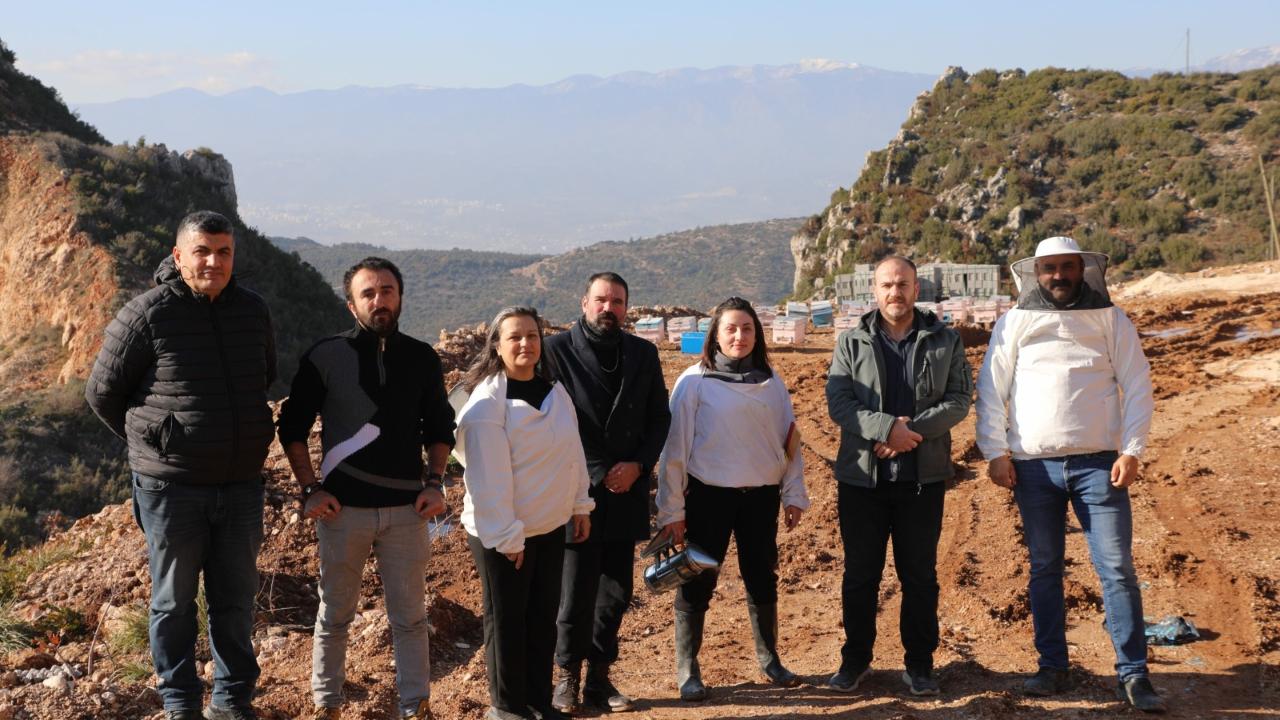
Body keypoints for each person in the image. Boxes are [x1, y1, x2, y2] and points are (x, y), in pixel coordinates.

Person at [85, 211, 275, 720]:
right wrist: (154, 443)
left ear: (234, 255)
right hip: (172, 490)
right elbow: (102, 393)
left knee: (235, 601)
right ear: (179, 255)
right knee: (173, 602)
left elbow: (264, 377)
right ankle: (179, 702)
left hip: (240, 487)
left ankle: (232, 700)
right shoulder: (146, 314)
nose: (214, 261)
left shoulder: (253, 312)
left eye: (224, 251)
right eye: (202, 251)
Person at [976, 236, 1165, 713]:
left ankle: (1134, 674)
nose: (1058, 276)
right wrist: (995, 452)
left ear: (1083, 269)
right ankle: (1052, 668)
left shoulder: (1111, 318)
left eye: (1067, 267)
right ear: (1034, 274)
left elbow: (1137, 383)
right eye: (1049, 269)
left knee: (1117, 569)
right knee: (1044, 569)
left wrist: (1134, 450)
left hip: (1099, 465)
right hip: (1032, 468)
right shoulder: (1014, 321)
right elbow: (991, 387)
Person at [276, 257, 455, 720]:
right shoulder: (325, 356)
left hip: (406, 512)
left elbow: (440, 427)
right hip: (343, 512)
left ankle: (415, 707)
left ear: (400, 296)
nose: (380, 300)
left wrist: (434, 483)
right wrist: (309, 489)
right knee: (335, 615)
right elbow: (292, 427)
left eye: (388, 291)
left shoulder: (420, 357)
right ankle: (326, 705)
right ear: (350, 301)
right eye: (369, 293)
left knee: (411, 619)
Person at [824, 256, 972, 696]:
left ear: (916, 288)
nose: (895, 292)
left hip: (921, 480)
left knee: (920, 576)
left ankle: (920, 664)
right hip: (862, 482)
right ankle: (855, 661)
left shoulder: (945, 340)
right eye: (887, 284)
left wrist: (911, 433)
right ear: (875, 290)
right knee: (860, 576)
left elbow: (960, 399)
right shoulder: (851, 343)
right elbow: (840, 403)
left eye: (903, 284)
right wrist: (886, 428)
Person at [655, 297, 810, 701]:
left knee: (762, 577)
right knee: (697, 581)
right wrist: (671, 510)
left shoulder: (772, 381)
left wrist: (793, 492)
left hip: (760, 499)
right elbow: (674, 451)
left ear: (756, 335)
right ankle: (687, 670)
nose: (739, 336)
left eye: (747, 329)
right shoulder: (694, 382)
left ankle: (770, 659)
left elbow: (790, 441)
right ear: (716, 335)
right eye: (731, 329)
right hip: (709, 498)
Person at [454, 306, 595, 720]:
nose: (525, 344)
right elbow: (488, 481)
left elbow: (573, 453)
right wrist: (508, 537)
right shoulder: (485, 408)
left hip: (549, 526)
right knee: (507, 621)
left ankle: (537, 699)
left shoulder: (554, 391)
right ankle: (508, 706)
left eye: (532, 336)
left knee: (541, 617)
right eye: (515, 337)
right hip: (502, 534)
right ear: (497, 346)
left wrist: (579, 504)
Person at [544, 272, 671, 714]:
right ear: (584, 303)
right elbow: (555, 422)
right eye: (601, 300)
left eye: (617, 301)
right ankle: (566, 678)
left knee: (615, 593)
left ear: (626, 308)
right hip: (577, 490)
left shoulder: (642, 353)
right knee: (574, 591)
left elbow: (660, 418)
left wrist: (637, 466)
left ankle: (599, 678)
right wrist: (601, 470)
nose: (608, 308)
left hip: (629, 489)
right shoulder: (555, 352)